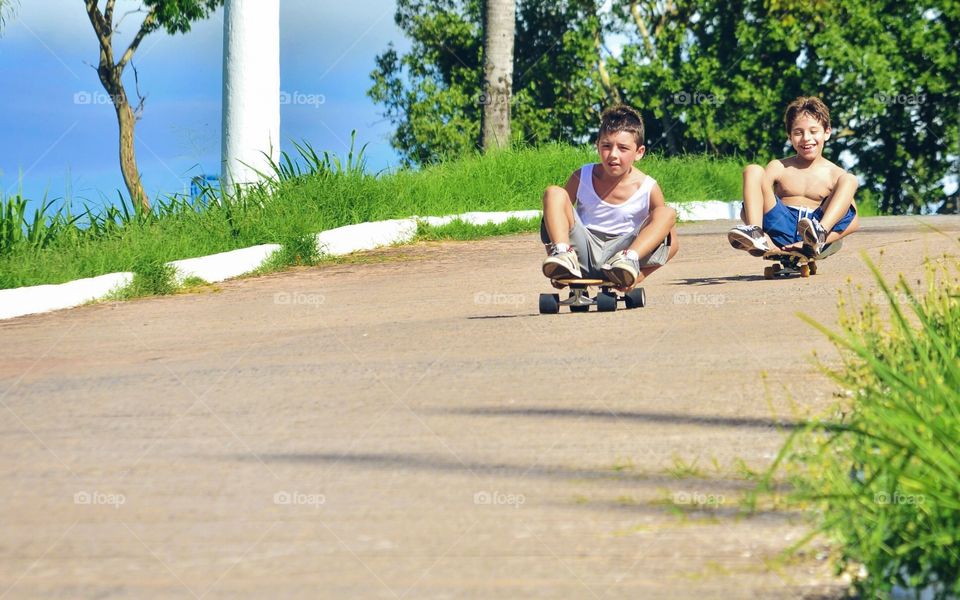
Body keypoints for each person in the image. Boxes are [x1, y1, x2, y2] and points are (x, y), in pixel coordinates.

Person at [540, 104, 678, 290]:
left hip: (620, 257)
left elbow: (672, 244)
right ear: (597, 146)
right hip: (582, 251)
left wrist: (640, 277)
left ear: (639, 152)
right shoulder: (582, 176)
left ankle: (629, 260)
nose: (613, 155)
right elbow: (554, 221)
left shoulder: (647, 187)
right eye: (606, 146)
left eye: (623, 148)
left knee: (666, 213)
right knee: (554, 193)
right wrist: (556, 266)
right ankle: (563, 255)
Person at [728, 96, 860, 258]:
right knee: (753, 170)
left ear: (827, 132)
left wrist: (819, 240)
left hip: (814, 229)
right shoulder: (779, 167)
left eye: (813, 131)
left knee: (850, 179)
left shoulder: (835, 173)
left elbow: (852, 222)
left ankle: (818, 235)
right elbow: (750, 204)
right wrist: (763, 234)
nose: (806, 138)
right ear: (789, 136)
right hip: (778, 226)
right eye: (798, 132)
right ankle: (756, 235)